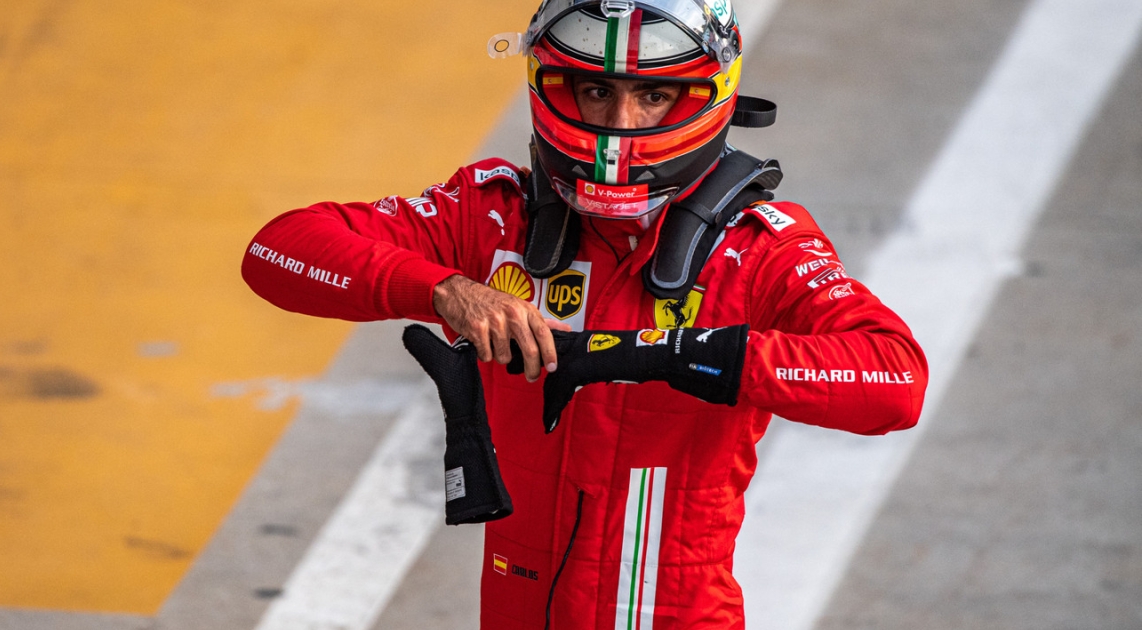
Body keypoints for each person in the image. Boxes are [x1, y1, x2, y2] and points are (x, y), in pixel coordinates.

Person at [241, 1, 928, 628]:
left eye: (653, 95)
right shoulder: (495, 214)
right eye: (596, 91)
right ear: (551, 86)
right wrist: (447, 290)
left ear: (707, 96)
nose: (619, 125)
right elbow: (277, 249)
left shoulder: (756, 250)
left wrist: (672, 352)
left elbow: (896, 379)